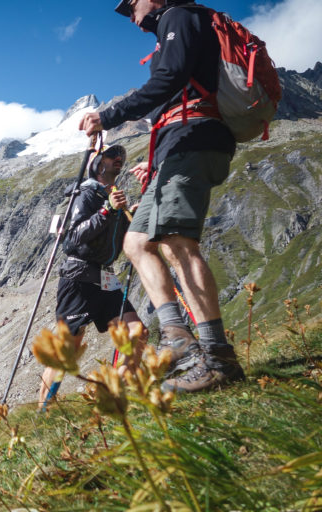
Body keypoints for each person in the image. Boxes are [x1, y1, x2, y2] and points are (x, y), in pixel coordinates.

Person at [78, 0, 245, 393]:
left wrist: (109, 115)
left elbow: (169, 77)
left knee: (177, 243)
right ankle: (179, 339)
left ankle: (218, 359)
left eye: (131, 5)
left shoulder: (180, 16)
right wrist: (154, 165)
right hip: (179, 146)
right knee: (137, 242)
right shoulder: (178, 22)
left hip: (193, 139)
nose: (132, 17)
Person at [39, 145, 148, 408]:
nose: (119, 158)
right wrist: (107, 210)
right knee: (69, 348)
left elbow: (114, 239)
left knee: (138, 331)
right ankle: (44, 410)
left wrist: (131, 217)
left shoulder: (111, 197)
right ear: (98, 164)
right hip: (79, 276)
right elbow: (74, 237)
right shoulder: (86, 194)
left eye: (121, 156)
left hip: (105, 278)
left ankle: (115, 390)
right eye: (112, 156)